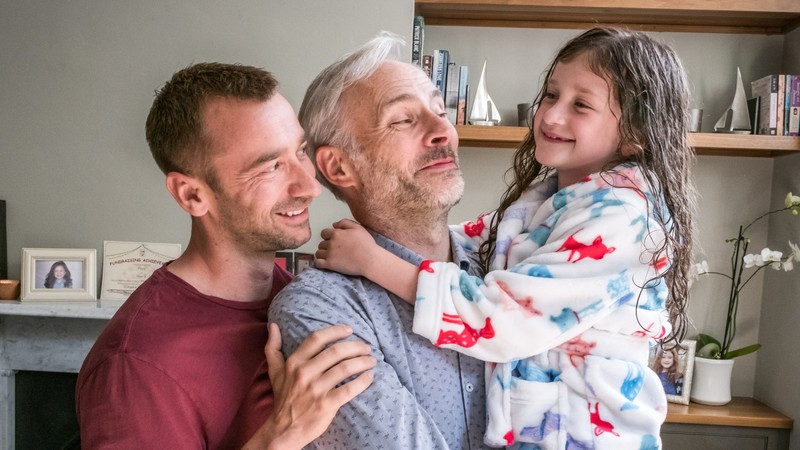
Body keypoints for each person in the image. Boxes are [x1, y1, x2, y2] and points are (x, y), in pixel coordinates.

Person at [316, 27, 697, 449]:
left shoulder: (622, 217)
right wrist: (385, 240)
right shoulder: (551, 201)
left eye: (581, 105)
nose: (551, 116)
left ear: (635, 134)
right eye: (551, 95)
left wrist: (374, 261)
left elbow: (501, 317)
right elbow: (473, 240)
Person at [75, 62, 376, 450]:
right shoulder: (134, 364)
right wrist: (280, 436)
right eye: (271, 166)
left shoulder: (308, 299)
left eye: (300, 151)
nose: (309, 186)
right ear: (192, 195)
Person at [268, 33, 488, 449]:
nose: (443, 131)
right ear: (339, 167)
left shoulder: (507, 262)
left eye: (440, 111)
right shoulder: (318, 310)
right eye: (403, 120)